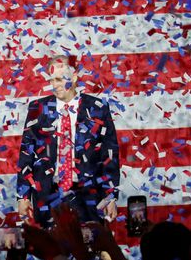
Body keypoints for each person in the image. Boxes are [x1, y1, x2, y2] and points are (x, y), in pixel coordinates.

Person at [16, 57, 119, 228]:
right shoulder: (38, 109)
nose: (54, 85)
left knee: (89, 249)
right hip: (49, 195)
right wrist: (23, 196)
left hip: (88, 195)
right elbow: (26, 154)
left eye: (59, 79)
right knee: (55, 252)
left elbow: (109, 155)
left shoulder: (97, 107)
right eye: (51, 80)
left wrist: (110, 196)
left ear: (75, 76)